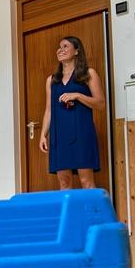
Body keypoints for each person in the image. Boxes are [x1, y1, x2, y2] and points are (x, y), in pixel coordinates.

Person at [38, 36, 104, 190]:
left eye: (65, 46)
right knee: (64, 182)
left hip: (81, 132)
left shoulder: (88, 74)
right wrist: (43, 134)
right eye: (59, 47)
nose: (60, 50)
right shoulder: (52, 80)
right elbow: (49, 109)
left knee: (86, 181)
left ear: (76, 51)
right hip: (59, 135)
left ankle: (93, 215)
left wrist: (78, 95)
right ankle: (70, 215)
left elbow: (101, 104)